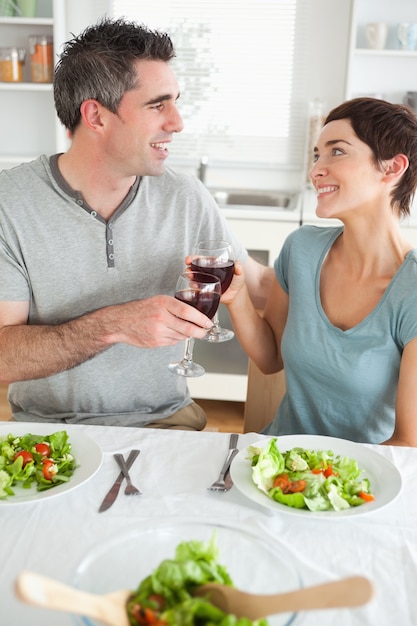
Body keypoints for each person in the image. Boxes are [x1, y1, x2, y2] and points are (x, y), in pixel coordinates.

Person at [0, 17, 273, 429]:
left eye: (176, 101)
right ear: (95, 116)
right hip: (50, 430)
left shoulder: (185, 196)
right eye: (157, 104)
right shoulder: (12, 202)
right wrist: (113, 325)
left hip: (168, 422)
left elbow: (257, 283)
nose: (177, 121)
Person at [224, 97, 417, 446]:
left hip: (358, 484)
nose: (316, 170)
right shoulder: (302, 249)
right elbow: (271, 359)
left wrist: (322, 482)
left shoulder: (412, 290)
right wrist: (236, 297)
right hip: (275, 462)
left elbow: (409, 442)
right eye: (317, 156)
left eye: (337, 152)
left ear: (392, 168)